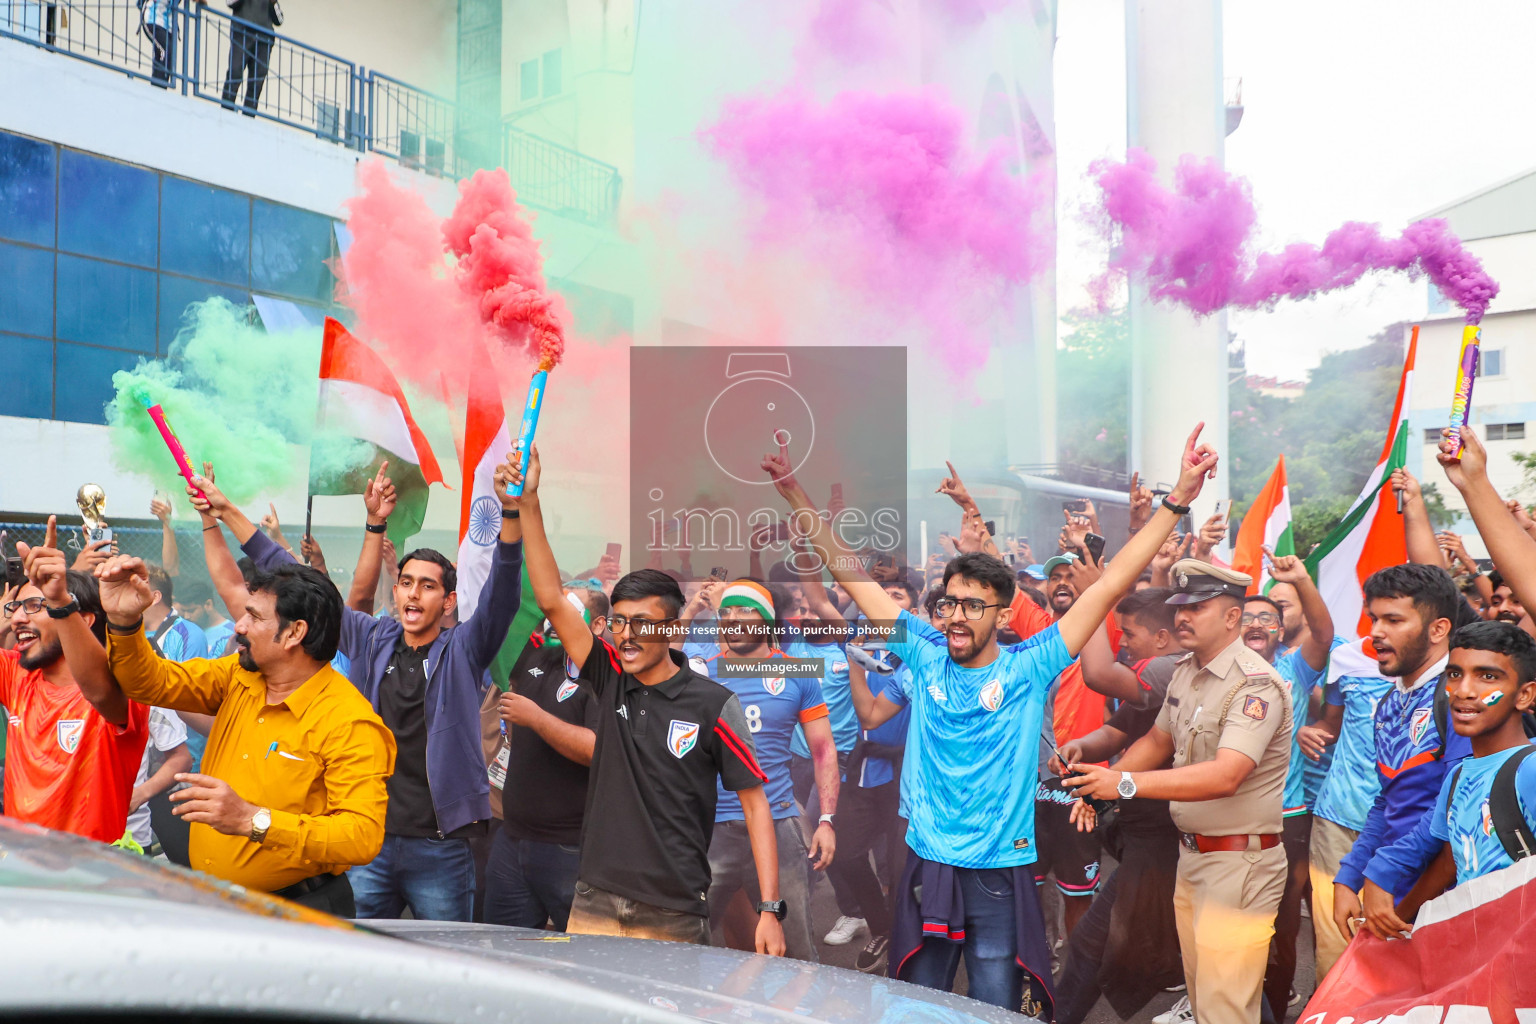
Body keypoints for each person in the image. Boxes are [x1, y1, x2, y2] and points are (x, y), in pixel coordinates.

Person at [764, 423, 1220, 1014]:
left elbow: (1110, 585)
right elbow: (850, 573)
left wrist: (1177, 500)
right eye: (950, 602)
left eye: (973, 605)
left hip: (999, 871)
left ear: (1001, 612)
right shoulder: (923, 652)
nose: (956, 616)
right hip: (927, 858)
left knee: (994, 1003)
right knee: (918, 1002)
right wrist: (797, 500)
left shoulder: (1031, 664)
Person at [218, 462, 526, 922]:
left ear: (448, 601)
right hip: (369, 841)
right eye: (405, 583)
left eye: (428, 586)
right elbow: (298, 579)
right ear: (396, 591)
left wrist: (511, 514)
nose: (413, 595)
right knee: (356, 958)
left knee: (441, 966)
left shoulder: (463, 649)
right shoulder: (370, 637)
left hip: (439, 846)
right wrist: (227, 512)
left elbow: (503, 597)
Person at [513, 446, 787, 954]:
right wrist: (530, 500)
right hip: (593, 897)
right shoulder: (611, 676)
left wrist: (770, 910)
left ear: (673, 625)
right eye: (620, 622)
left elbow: (755, 807)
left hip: (673, 910)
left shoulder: (713, 704)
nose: (627, 635)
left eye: (643, 622)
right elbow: (551, 596)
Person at [93, 549, 395, 915]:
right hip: (220, 905)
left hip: (299, 912)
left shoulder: (348, 721)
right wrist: (124, 622)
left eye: (253, 617)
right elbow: (148, 683)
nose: (239, 626)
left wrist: (252, 820)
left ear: (294, 633)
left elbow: (361, 837)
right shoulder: (239, 675)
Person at [1066, 560, 1293, 1024]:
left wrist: (1123, 782)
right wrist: (1100, 792)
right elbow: (1157, 741)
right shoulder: (1188, 671)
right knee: (1208, 1000)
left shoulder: (1255, 685)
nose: (1183, 616)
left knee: (1226, 1009)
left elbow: (1225, 774)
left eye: (1198, 607)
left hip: (1238, 866)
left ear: (1233, 617)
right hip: (1192, 859)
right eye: (1181, 606)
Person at [685, 579, 838, 961]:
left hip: (778, 824)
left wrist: (826, 820)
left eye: (744, 611)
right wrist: (689, 611)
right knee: (685, 940)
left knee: (797, 949)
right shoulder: (701, 673)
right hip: (711, 826)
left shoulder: (799, 673)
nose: (733, 619)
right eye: (726, 612)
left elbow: (823, 750)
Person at [1054, 587, 1185, 1024]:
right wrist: (1080, 747)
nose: (1122, 642)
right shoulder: (1167, 677)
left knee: (1095, 941)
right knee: (1202, 954)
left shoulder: (1169, 669)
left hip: (1166, 838)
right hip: (1147, 835)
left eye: (1128, 633)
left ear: (1163, 638)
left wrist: (1098, 592)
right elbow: (1118, 732)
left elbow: (1096, 673)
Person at [1357, 620, 1536, 938]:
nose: (1464, 691)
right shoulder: (1458, 776)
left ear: (1524, 695)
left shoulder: (1530, 770)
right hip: (1475, 959)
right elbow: (1447, 857)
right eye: (1455, 674)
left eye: (1488, 676)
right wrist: (1393, 924)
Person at [1329, 564, 1467, 947]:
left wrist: (1382, 872)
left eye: (1393, 619)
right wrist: (1350, 875)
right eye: (1374, 618)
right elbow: (1389, 801)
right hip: (1392, 895)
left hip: (1446, 901)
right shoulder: (1390, 703)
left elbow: (1457, 807)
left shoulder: (1463, 699)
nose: (1375, 632)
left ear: (1438, 629)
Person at [3, 519, 149, 844]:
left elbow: (100, 692)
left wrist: (57, 600)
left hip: (88, 878)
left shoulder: (123, 685)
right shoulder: (18, 673)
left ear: (81, 619)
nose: (16, 619)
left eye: (32, 606)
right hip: (22, 868)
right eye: (15, 608)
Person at [1241, 554, 1333, 1019]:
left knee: (1281, 928)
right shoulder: (1215, 671)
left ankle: (1276, 1007)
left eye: (1268, 618)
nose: (1256, 623)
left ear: (1279, 631)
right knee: (1233, 926)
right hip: (1229, 819)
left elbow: (1323, 635)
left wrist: (1299, 579)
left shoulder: (1295, 669)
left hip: (1287, 818)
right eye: (1246, 616)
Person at [482, 585, 604, 930]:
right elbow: (501, 625)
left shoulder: (602, 675)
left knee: (581, 959)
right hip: (512, 838)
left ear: (596, 626)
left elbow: (597, 749)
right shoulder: (537, 656)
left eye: (569, 607)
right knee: (507, 955)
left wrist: (536, 718)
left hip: (569, 848)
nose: (556, 614)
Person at [222, 0, 277, 115]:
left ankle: (249, 115)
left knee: (257, 80)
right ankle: (226, 109)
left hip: (264, 39)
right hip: (242, 33)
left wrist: (274, 3)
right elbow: (229, 3)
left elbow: (279, 20)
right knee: (235, 72)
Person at [147, 565, 209, 664]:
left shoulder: (189, 635)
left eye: (134, 591)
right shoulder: (121, 633)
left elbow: (192, 679)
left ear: (155, 597)